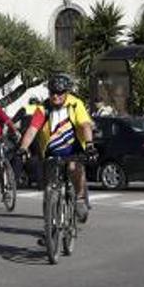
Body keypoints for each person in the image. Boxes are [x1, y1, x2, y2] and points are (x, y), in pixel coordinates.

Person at [18, 73, 94, 221]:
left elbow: (85, 124)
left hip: (74, 148)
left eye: (60, 93)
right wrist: (23, 148)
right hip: (51, 151)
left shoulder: (75, 103)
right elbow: (32, 130)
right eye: (53, 92)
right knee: (49, 189)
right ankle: (50, 229)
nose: (56, 96)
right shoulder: (43, 108)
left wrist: (90, 144)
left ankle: (79, 197)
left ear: (66, 92)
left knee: (74, 168)